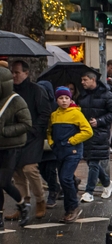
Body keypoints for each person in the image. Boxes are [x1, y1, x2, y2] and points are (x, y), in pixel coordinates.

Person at [8, 60, 51, 221]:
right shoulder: (10, 91)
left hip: (32, 137)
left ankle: (40, 200)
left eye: (17, 72)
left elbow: (45, 112)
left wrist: (34, 130)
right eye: (12, 72)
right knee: (17, 172)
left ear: (26, 73)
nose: (14, 75)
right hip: (15, 136)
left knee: (29, 169)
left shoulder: (36, 90)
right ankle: (23, 204)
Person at [48, 87, 93, 223]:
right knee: (64, 180)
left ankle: (74, 206)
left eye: (66, 98)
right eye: (61, 98)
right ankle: (68, 209)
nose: (64, 101)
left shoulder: (76, 114)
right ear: (56, 100)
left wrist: (72, 141)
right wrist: (52, 143)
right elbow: (49, 130)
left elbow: (88, 131)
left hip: (73, 152)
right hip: (59, 151)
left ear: (70, 99)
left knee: (65, 178)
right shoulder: (54, 115)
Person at [76, 71, 112, 203]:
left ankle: (89, 192)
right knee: (90, 160)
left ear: (93, 80)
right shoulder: (82, 96)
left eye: (85, 80)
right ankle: (107, 183)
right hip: (85, 132)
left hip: (99, 132)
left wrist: (99, 121)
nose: (82, 82)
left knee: (93, 161)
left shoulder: (106, 95)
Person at [0, 66, 33, 228]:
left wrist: (5, 130)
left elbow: (26, 123)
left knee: (4, 181)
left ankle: (22, 206)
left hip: (11, 147)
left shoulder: (15, 100)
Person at [37, 80, 62, 208]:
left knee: (51, 169)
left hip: (53, 141)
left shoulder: (55, 106)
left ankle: (53, 192)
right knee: (41, 168)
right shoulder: (36, 104)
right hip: (40, 141)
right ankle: (58, 187)